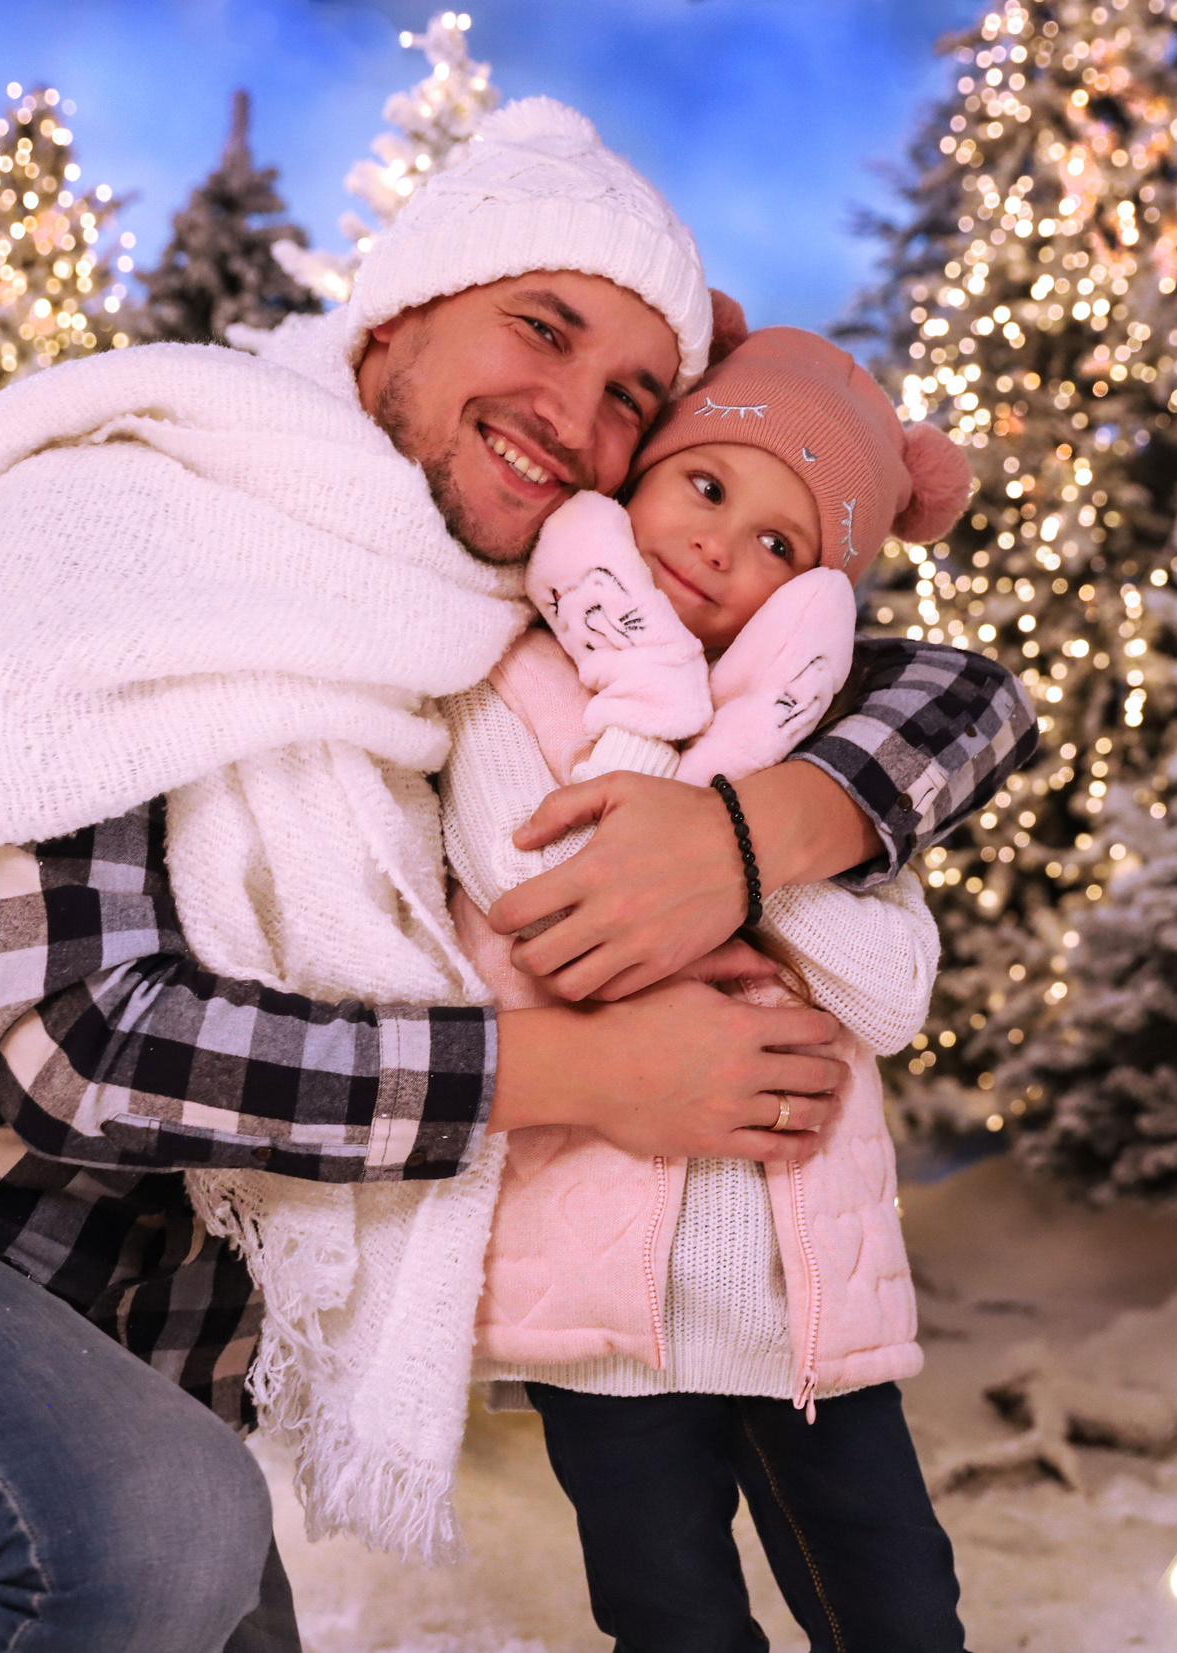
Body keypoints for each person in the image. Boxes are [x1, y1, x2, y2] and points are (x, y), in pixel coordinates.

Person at [0, 97, 1035, 1653]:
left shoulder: (500, 626)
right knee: (154, 1528)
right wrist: (590, 1071)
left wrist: (752, 836)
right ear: (401, 315)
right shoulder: (124, 521)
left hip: (115, 1339)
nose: (572, 413)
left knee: (175, 1545)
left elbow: (959, 690)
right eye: (537, 328)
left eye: (630, 396)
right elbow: (90, 1048)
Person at [452, 320, 976, 1653]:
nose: (720, 547)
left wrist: (747, 849)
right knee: (669, 1612)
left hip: (812, 1302)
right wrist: (650, 688)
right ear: (634, 489)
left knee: (900, 1605)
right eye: (705, 487)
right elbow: (554, 899)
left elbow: (894, 992)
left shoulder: (825, 763)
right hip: (606, 1314)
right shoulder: (514, 688)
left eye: (783, 550)